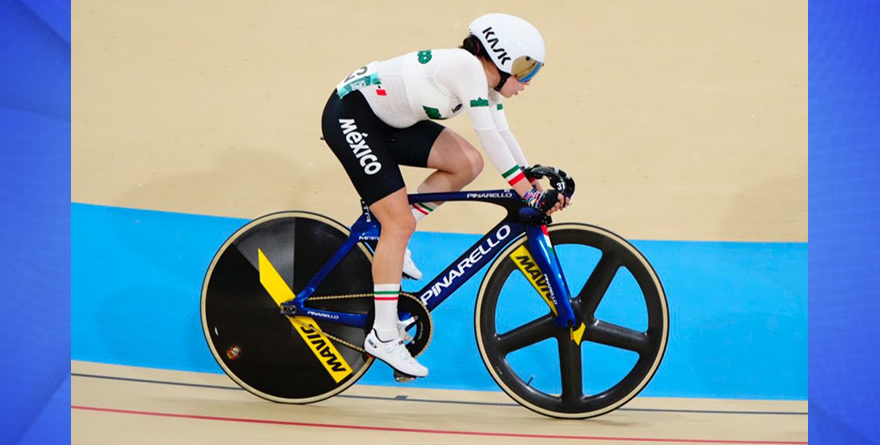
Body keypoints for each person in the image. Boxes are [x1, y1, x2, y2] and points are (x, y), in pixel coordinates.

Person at [321, 13, 569, 378]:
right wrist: (526, 194)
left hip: (387, 121)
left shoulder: (487, 83)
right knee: (398, 223)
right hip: (351, 115)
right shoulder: (466, 69)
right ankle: (384, 336)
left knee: (467, 163)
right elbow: (486, 132)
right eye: (525, 69)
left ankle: (391, 238)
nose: (528, 81)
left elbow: (502, 132)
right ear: (500, 58)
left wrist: (532, 181)